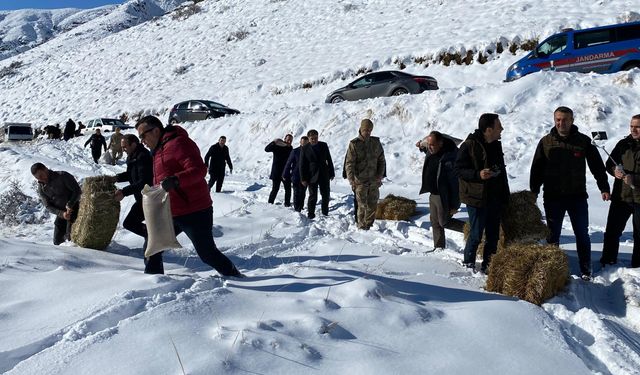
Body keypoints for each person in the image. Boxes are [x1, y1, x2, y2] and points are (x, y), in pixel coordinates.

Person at [135, 116, 242, 277]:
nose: (142, 140)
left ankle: (234, 275)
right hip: (170, 211)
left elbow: (199, 170)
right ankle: (154, 281)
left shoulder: (179, 143)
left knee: (207, 254)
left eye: (143, 135)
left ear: (156, 130)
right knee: (152, 246)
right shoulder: (157, 150)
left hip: (195, 210)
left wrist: (176, 180)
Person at [530, 106, 611, 280]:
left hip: (577, 197)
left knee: (582, 233)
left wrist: (604, 187)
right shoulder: (546, 142)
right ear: (554, 120)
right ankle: (552, 271)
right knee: (553, 235)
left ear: (572, 120)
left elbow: (597, 166)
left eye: (565, 119)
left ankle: (585, 269)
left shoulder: (583, 141)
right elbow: (537, 168)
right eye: (558, 120)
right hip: (553, 197)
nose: (561, 123)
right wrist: (533, 191)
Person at [456, 113, 510, 273]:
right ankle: (468, 264)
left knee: (493, 236)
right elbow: (458, 169)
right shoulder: (469, 145)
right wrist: (477, 174)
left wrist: (505, 195)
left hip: (494, 197)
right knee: (476, 233)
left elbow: (502, 172)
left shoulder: (495, 144)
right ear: (488, 129)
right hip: (476, 197)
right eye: (498, 126)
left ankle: (488, 265)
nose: (502, 129)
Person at [111, 134, 162, 274]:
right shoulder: (133, 156)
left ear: (133, 144)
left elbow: (143, 181)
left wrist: (124, 192)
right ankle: (150, 233)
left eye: (125, 147)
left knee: (134, 226)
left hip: (150, 198)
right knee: (129, 223)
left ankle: (152, 272)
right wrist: (116, 178)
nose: (123, 150)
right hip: (141, 199)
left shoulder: (143, 157)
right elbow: (130, 175)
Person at [600, 114, 640, 269]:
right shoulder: (623, 144)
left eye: (637, 126)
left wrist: (635, 179)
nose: (633, 129)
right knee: (612, 232)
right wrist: (614, 171)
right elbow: (609, 162)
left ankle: (637, 268)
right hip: (621, 197)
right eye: (631, 126)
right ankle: (607, 262)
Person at [416, 130, 464, 250]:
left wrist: (455, 205)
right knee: (435, 222)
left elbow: (455, 184)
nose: (429, 147)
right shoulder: (432, 149)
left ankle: (472, 229)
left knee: (444, 222)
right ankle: (439, 248)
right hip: (433, 193)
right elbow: (426, 148)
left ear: (441, 144)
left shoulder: (450, 158)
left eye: (432, 145)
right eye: (429, 144)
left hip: (444, 195)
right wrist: (421, 147)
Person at [344, 119, 386, 230]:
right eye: (365, 130)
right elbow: (349, 163)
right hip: (360, 180)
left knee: (372, 204)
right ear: (361, 129)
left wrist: (380, 175)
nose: (367, 132)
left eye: (369, 130)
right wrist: (351, 179)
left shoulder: (375, 143)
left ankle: (369, 225)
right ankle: (361, 226)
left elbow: (381, 160)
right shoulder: (354, 144)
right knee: (362, 205)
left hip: (373, 179)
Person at [31, 163, 81, 245]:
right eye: (37, 178)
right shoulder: (41, 188)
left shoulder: (63, 176)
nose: (40, 179)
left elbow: (77, 191)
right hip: (62, 213)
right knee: (57, 242)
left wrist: (70, 204)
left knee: (71, 239)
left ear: (45, 169)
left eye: (41, 175)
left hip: (75, 208)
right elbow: (48, 206)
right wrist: (61, 214)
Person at [299, 129, 335, 219]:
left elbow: (329, 159)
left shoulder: (323, 145)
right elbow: (302, 164)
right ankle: (311, 214)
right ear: (308, 138)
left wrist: (331, 172)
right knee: (312, 196)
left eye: (316, 138)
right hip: (311, 175)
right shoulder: (304, 148)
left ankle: (325, 212)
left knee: (326, 194)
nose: (314, 140)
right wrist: (303, 178)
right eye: (312, 139)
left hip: (324, 173)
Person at [265, 134, 293, 206]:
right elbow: (266, 149)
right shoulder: (277, 146)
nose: (289, 141)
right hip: (276, 172)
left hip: (286, 172)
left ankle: (287, 204)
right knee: (275, 189)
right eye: (288, 139)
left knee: (288, 189)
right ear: (285, 139)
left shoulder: (290, 149)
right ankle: (270, 204)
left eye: (291, 140)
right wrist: (274, 142)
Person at [283, 136, 309, 212]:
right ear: (300, 142)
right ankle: (297, 209)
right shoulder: (295, 151)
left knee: (303, 192)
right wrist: (285, 174)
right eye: (303, 143)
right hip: (296, 175)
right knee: (296, 193)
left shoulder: (310, 151)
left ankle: (301, 206)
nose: (304, 144)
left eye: (306, 143)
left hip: (306, 176)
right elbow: (288, 163)